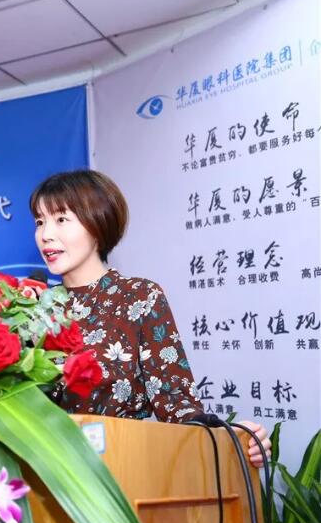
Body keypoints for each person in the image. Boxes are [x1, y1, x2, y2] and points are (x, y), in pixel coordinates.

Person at [30, 169, 271, 468]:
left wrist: (231, 438)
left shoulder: (139, 297)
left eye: (61, 219)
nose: (46, 234)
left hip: (121, 470)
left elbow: (176, 403)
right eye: (39, 222)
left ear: (98, 223)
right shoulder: (29, 308)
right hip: (42, 470)